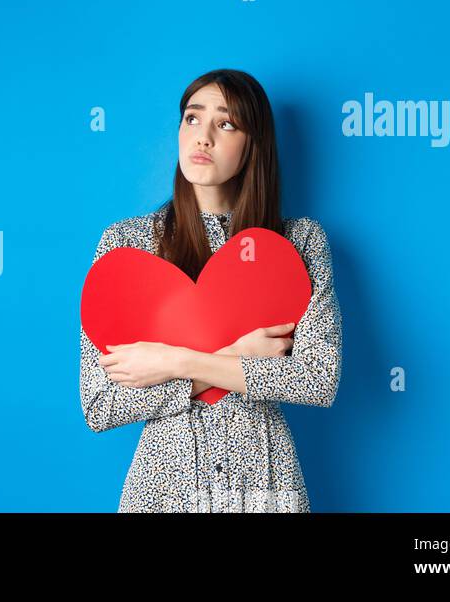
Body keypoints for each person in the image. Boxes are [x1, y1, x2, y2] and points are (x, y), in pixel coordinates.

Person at [78, 68, 343, 512]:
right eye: (192, 118)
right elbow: (101, 404)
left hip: (263, 480)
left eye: (225, 123)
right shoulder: (128, 245)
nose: (203, 137)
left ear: (252, 143)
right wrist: (238, 357)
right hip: (164, 486)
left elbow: (318, 379)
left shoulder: (299, 242)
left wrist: (172, 361)